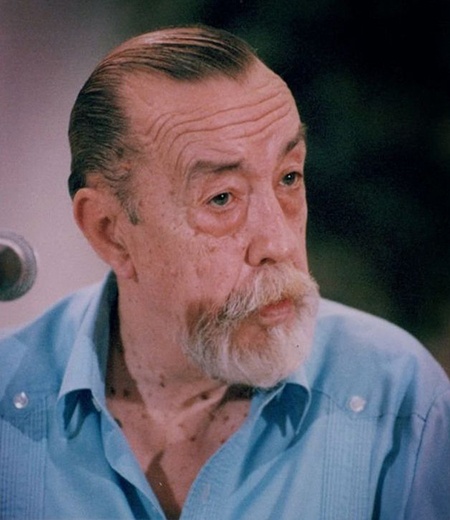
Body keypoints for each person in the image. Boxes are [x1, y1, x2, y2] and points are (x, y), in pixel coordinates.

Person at [0, 25, 449, 520]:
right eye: (221, 199)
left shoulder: (401, 399)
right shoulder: (8, 402)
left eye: (289, 177)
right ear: (111, 232)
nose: (278, 243)